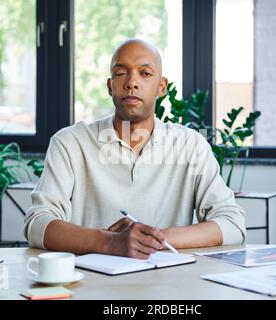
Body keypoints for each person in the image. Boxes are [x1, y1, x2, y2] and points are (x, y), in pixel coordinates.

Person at [24, 39, 246, 259]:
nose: (132, 82)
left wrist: (151, 239)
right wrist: (110, 243)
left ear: (162, 87)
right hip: (90, 284)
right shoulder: (70, 143)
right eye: (121, 73)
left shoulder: (191, 145)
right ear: (110, 86)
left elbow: (232, 223)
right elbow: (37, 224)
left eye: (145, 73)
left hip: (169, 284)